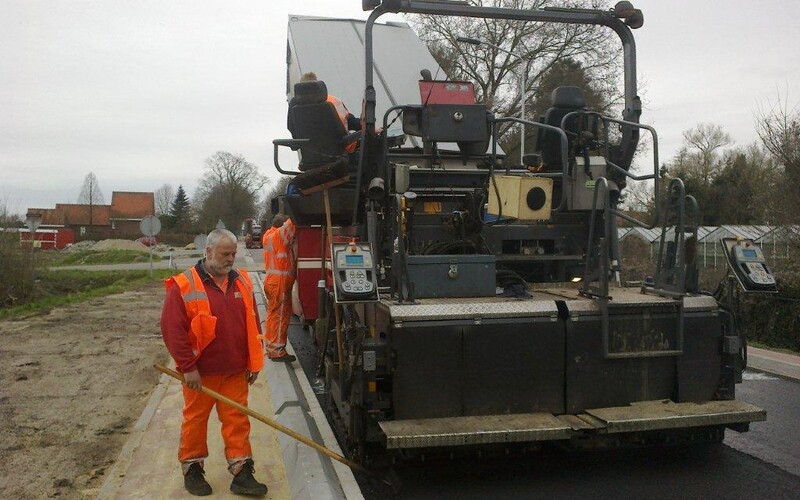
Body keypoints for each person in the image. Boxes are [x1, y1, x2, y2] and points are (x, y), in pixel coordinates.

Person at [161, 228, 268, 497]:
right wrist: (188, 368)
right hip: (200, 374)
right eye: (225, 254)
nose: (231, 259)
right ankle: (193, 469)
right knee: (195, 421)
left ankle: (242, 471)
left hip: (234, 372)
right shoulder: (184, 285)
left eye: (233, 253)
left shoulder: (242, 282)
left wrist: (253, 362)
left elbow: (252, 323)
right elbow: (172, 329)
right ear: (208, 252)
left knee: (237, 421)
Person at [287, 71, 362, 151]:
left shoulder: (295, 106)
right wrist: (365, 127)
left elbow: (291, 127)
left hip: (309, 156)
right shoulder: (331, 101)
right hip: (339, 151)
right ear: (317, 86)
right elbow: (347, 122)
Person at [261, 214, 297, 362]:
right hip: (279, 282)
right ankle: (277, 351)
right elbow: (292, 222)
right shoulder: (279, 235)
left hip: (272, 280)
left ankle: (271, 348)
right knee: (280, 316)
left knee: (273, 315)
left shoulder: (268, 235)